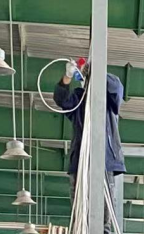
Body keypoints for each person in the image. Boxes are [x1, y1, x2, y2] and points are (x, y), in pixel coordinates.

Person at [53, 60, 126, 196]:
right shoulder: (78, 99)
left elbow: (116, 88)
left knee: (105, 206)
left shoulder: (108, 99)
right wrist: (68, 76)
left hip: (105, 160)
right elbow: (61, 100)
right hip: (80, 161)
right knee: (79, 203)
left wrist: (97, 72)